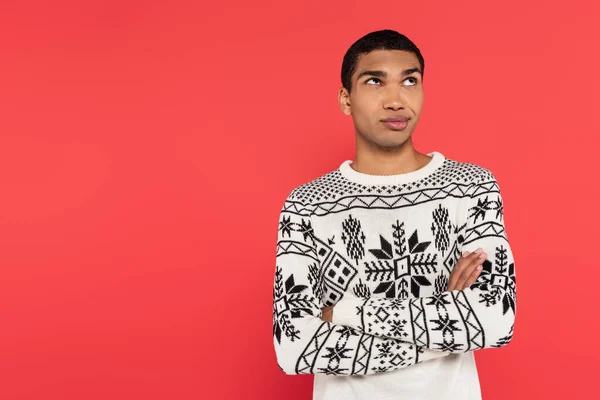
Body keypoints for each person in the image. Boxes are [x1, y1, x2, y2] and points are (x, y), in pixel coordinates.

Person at [272, 29, 517, 400]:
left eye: (410, 81)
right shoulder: (307, 206)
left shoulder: (471, 187)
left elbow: (495, 320)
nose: (396, 100)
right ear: (345, 99)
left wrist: (340, 312)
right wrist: (447, 316)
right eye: (374, 81)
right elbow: (292, 347)